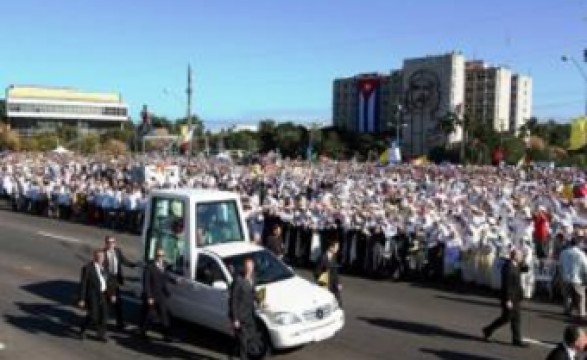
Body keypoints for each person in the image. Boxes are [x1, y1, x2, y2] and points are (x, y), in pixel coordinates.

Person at [482, 248, 529, 347]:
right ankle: (488, 330)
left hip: (516, 297)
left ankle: (516, 340)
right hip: (509, 298)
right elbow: (506, 284)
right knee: (506, 318)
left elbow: (526, 269)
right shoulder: (508, 267)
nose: (521, 257)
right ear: (515, 256)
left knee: (516, 319)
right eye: (519, 255)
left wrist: (524, 260)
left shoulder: (516, 265)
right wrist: (508, 299)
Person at [139, 247, 177, 342]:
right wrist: (149, 297)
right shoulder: (149, 267)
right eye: (158, 255)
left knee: (164, 314)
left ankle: (166, 335)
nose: (160, 257)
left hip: (161, 294)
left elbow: (166, 276)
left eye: (162, 255)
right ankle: (143, 331)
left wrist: (175, 281)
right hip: (152, 295)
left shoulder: (164, 265)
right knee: (150, 315)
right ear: (155, 256)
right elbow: (146, 283)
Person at [102, 235, 137, 329]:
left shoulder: (117, 251)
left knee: (118, 303)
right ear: (105, 243)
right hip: (107, 280)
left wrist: (134, 265)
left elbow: (123, 260)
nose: (111, 244)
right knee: (108, 302)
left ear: (115, 243)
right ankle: (101, 322)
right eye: (109, 242)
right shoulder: (102, 253)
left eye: (112, 242)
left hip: (115, 279)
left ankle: (119, 323)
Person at [229, 257, 260, 360]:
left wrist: (259, 301)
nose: (249, 269)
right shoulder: (238, 281)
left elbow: (253, 292)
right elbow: (233, 300)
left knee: (251, 339)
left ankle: (232, 352)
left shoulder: (253, 278)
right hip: (241, 317)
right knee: (243, 342)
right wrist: (235, 319)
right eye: (247, 267)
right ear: (244, 267)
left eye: (251, 267)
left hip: (250, 315)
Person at [78, 249, 109, 342]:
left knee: (104, 315)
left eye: (102, 257)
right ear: (94, 257)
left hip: (103, 294)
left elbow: (108, 281)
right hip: (93, 295)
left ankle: (101, 334)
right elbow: (83, 284)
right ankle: (83, 329)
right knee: (93, 315)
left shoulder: (104, 267)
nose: (101, 259)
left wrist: (112, 293)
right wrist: (82, 299)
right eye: (99, 257)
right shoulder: (87, 268)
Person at [559, 236, 587, 318]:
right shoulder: (581, 254)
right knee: (580, 297)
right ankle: (581, 312)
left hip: (566, 277)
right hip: (578, 279)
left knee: (568, 296)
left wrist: (561, 275)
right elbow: (585, 267)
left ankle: (567, 310)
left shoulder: (563, 252)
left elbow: (560, 265)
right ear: (578, 244)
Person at [314, 238, 342, 307]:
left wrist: (338, 283)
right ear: (331, 247)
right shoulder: (322, 258)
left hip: (334, 286)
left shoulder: (334, 256)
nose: (337, 249)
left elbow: (335, 272)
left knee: (338, 304)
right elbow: (316, 272)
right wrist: (323, 283)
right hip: (325, 285)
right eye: (336, 247)